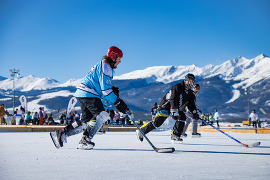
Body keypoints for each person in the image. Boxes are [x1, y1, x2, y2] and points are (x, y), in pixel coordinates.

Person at [51, 46, 130, 149]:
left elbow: (103, 89)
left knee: (87, 121)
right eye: (119, 59)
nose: (120, 62)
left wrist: (112, 93)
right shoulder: (106, 67)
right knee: (102, 115)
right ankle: (85, 140)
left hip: (83, 92)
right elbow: (106, 91)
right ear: (113, 57)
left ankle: (62, 133)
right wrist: (117, 101)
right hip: (89, 93)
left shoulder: (103, 65)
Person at [136, 73, 196, 143]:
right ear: (185, 80)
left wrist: (194, 113)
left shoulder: (190, 93)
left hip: (176, 108)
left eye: (191, 82)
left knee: (182, 116)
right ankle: (141, 130)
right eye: (188, 81)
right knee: (157, 123)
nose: (189, 83)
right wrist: (173, 109)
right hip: (165, 107)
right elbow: (172, 98)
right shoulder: (177, 87)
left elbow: (191, 104)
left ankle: (175, 136)